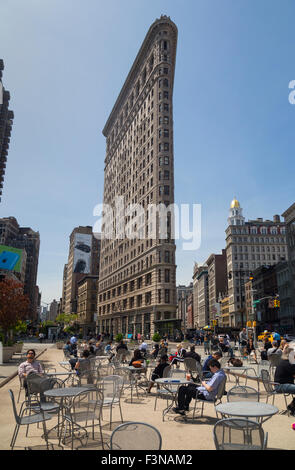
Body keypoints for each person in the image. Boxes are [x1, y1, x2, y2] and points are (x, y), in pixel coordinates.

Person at [274, 344, 295, 415]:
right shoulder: (287, 363)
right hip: (281, 386)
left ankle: (292, 405)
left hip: (281, 384)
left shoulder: (284, 361)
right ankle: (292, 406)